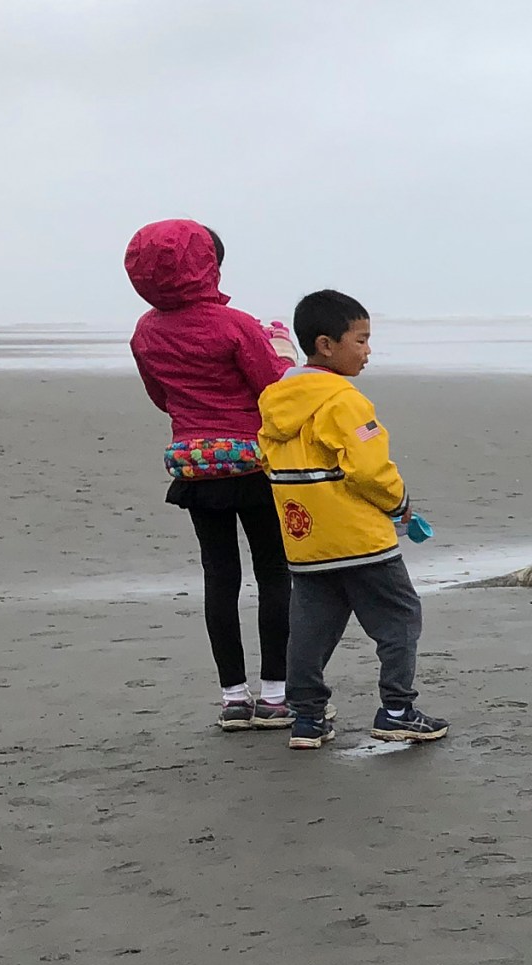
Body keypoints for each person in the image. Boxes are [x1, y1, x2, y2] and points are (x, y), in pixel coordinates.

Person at [257, 289, 450, 750]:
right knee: (399, 617)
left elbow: (264, 456)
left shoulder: (275, 400)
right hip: (359, 538)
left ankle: (307, 718)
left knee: (309, 629)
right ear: (327, 344)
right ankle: (397, 710)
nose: (367, 351)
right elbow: (368, 470)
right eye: (361, 341)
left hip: (304, 537)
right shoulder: (344, 401)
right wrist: (399, 502)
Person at [125, 219, 297, 732]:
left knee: (219, 577)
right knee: (273, 573)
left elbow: (161, 396)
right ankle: (275, 695)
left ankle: (232, 697)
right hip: (253, 463)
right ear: (208, 265)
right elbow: (272, 388)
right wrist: (283, 353)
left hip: (196, 465)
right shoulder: (235, 325)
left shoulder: (146, 331)